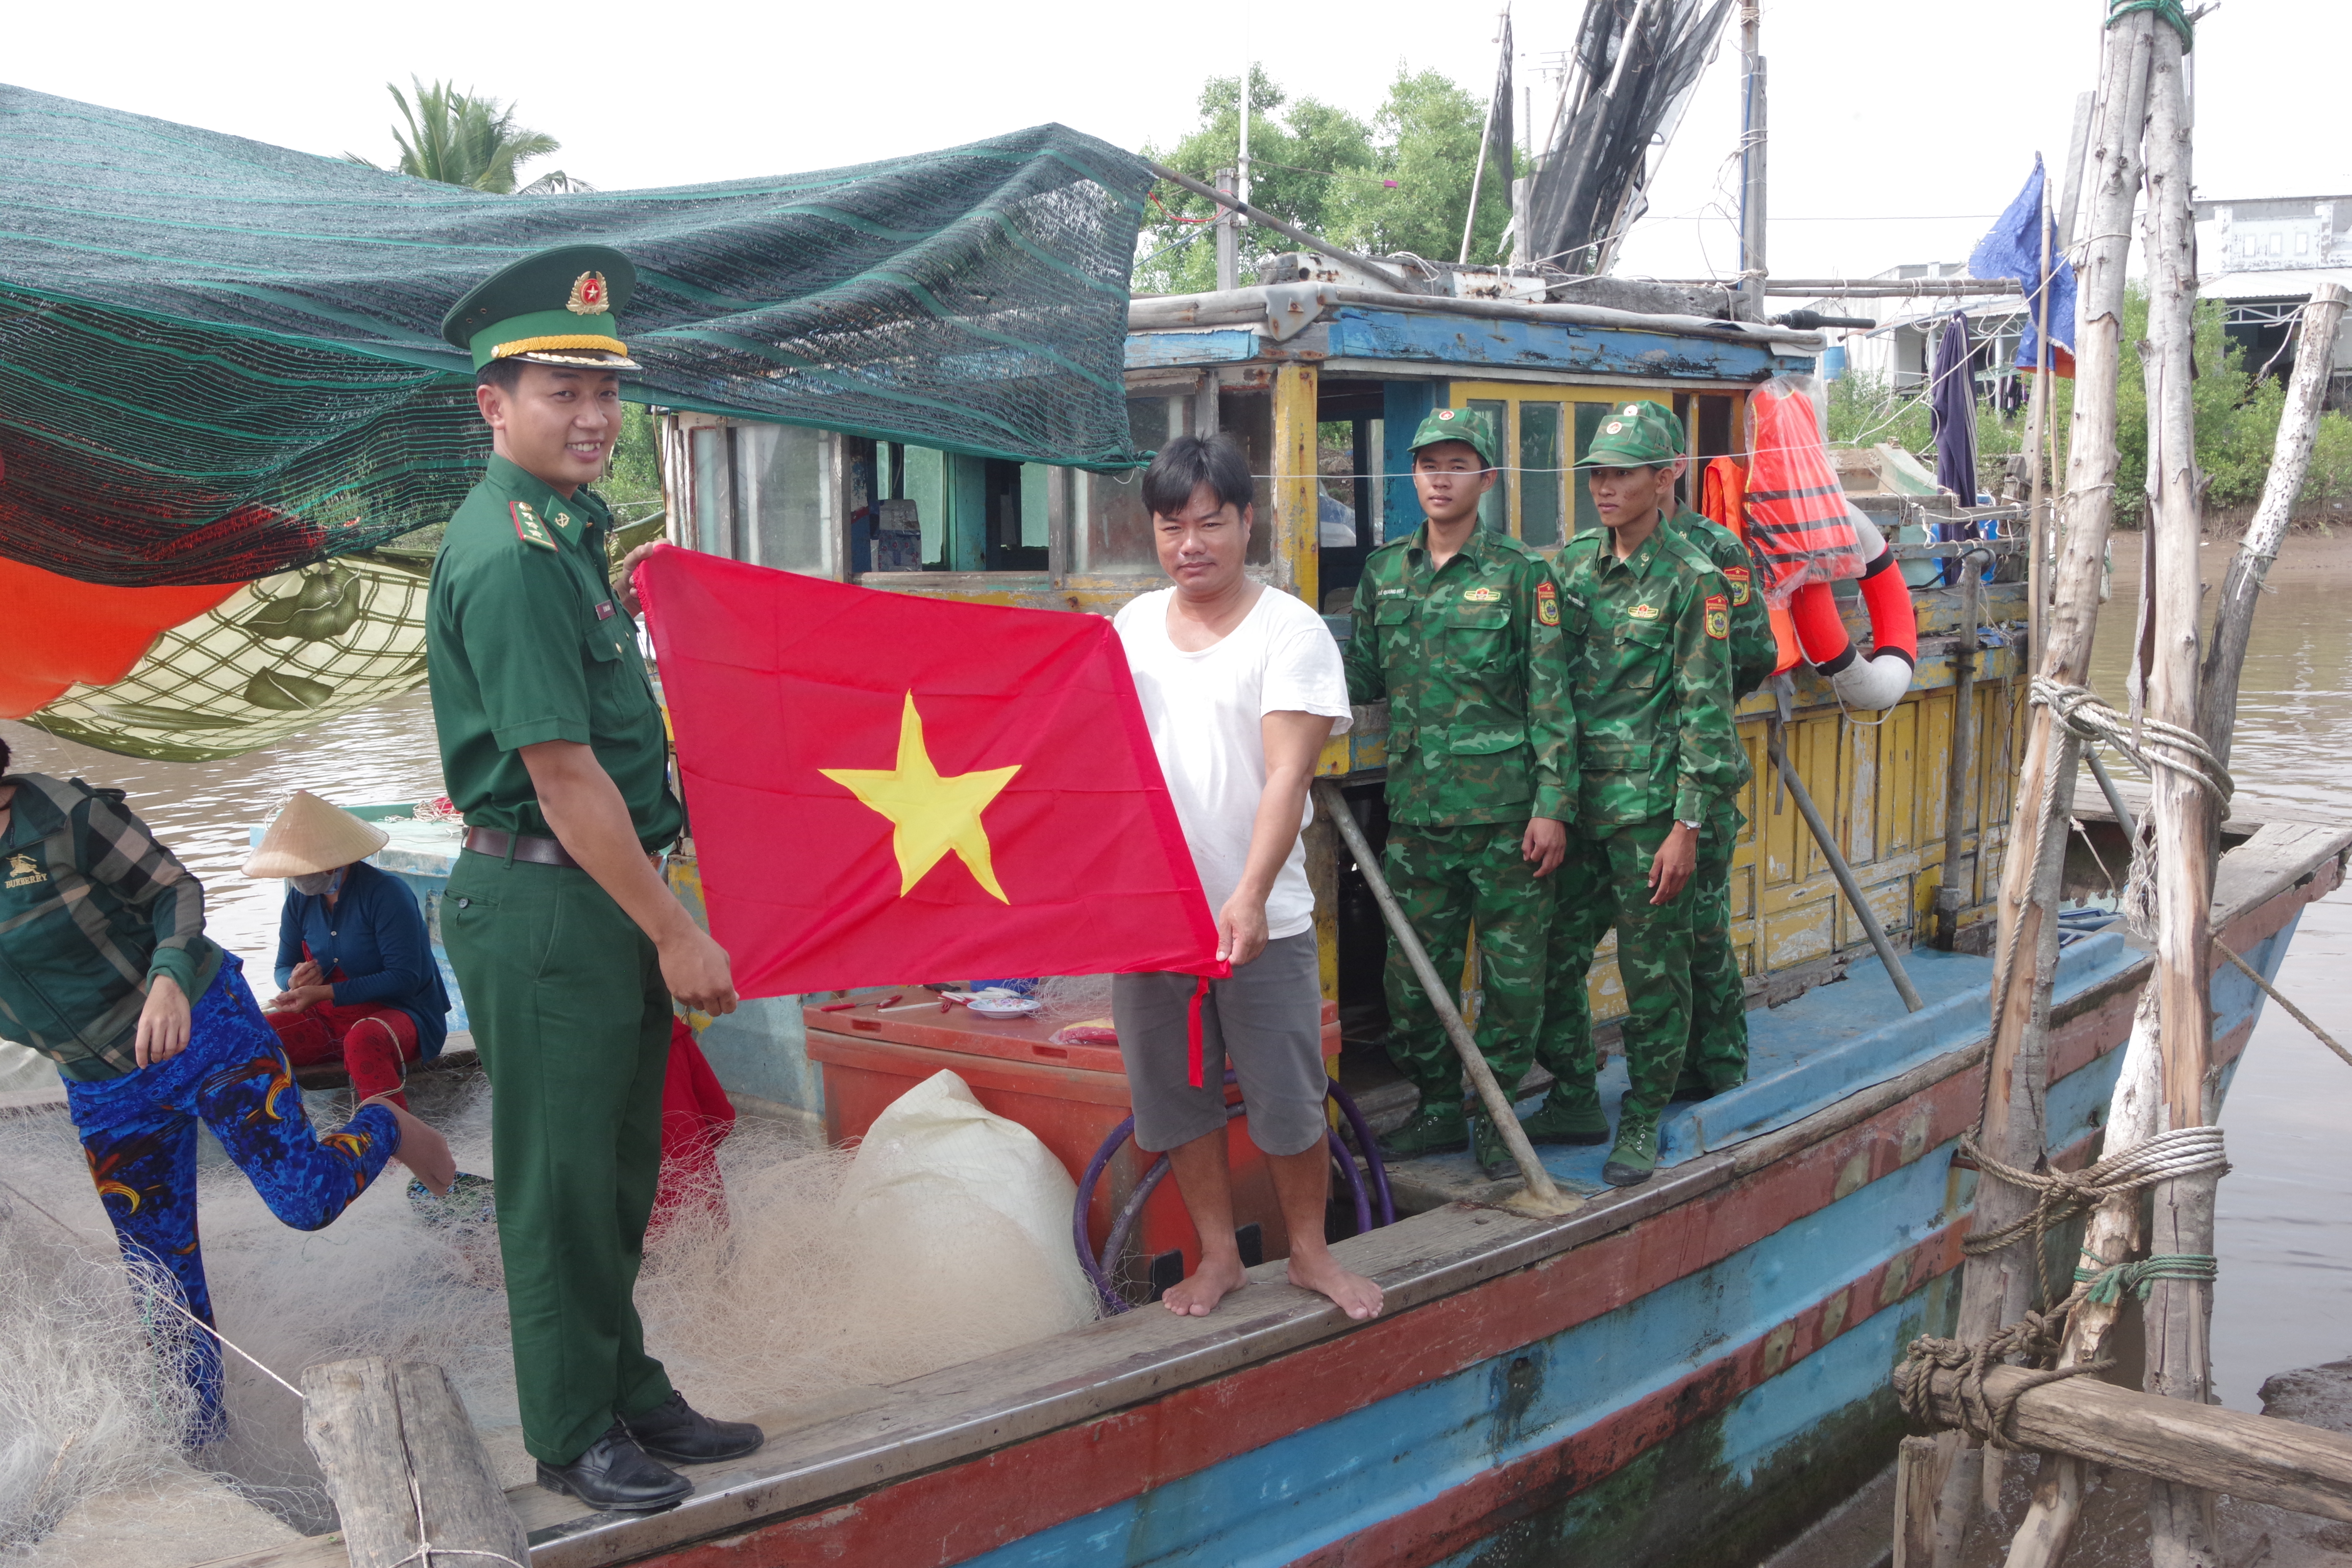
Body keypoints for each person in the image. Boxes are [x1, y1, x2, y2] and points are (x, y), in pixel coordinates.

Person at [427, 244, 760, 1512]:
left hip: (596, 894)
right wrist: (678, 930)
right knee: (560, 1182)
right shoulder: (509, 552)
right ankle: (568, 1432)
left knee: (621, 1164)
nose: (590, 415)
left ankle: (625, 1382)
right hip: (549, 900)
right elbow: (564, 776)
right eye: (559, 389)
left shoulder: (567, 533)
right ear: (493, 404)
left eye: (602, 390)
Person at [0, 737, 454, 1439]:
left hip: (201, 1025)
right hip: (102, 1086)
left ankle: (385, 1123)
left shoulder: (67, 818)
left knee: (306, 1201)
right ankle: (201, 1439)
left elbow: (173, 891)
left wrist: (169, 977)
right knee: (161, 1284)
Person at [1110, 433, 1382, 1322]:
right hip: (1152, 918)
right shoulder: (1131, 628)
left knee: (1286, 1095)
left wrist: (1251, 892)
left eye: (1209, 523)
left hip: (1262, 914)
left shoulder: (1289, 629)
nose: (1191, 543)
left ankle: (1308, 1253)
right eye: (1171, 525)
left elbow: (1285, 774)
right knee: (1175, 1098)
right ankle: (1218, 1255)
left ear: (1245, 522)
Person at [1341, 407, 1576, 1172]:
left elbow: (1550, 699)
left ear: (1488, 478)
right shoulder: (1385, 573)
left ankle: (1498, 1116)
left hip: (1509, 819)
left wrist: (1551, 806)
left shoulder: (1520, 572)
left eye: (1457, 464)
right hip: (1419, 816)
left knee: (1513, 986)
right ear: (1412, 477)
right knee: (1411, 983)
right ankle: (1440, 1107)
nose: (1440, 478)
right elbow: (1362, 680)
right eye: (1428, 464)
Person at [1541, 401, 1746, 1187]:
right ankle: (1572, 1095)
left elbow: (1708, 712)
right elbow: (1548, 687)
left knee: (1653, 972)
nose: (1605, 486)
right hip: (1578, 810)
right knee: (1552, 957)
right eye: (1597, 472)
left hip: (1649, 819)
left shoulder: (1694, 581)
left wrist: (1687, 827)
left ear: (1666, 479)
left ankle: (1642, 1117)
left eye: (1623, 473)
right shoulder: (1570, 568)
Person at [248, 791, 451, 1110]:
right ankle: (284, 1141)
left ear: (339, 860)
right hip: (326, 1019)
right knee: (253, 1036)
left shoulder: (386, 894)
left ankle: (392, 1141)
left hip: (400, 1013)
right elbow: (282, 967)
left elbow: (405, 978)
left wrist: (325, 992)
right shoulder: (299, 901)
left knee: (363, 1038)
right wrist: (293, 982)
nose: (301, 876)